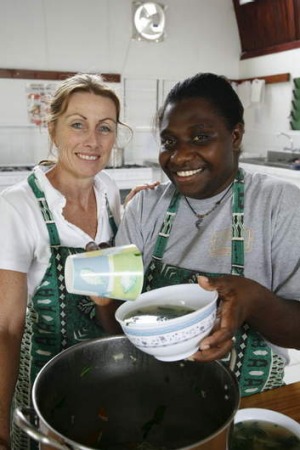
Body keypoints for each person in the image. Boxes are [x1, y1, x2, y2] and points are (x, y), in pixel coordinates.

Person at [115, 72, 300, 398]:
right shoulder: (144, 207)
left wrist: (254, 301)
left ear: (236, 135)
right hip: (150, 392)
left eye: (200, 137)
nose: (180, 156)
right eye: (169, 142)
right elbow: (119, 308)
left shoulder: (278, 204)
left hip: (249, 403)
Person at [0, 72, 159, 450]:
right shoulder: (16, 207)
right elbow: (5, 328)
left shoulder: (108, 192)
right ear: (53, 130)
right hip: (45, 390)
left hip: (107, 382)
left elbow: (112, 287)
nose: (92, 141)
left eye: (104, 128)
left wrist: (137, 215)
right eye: (78, 125)